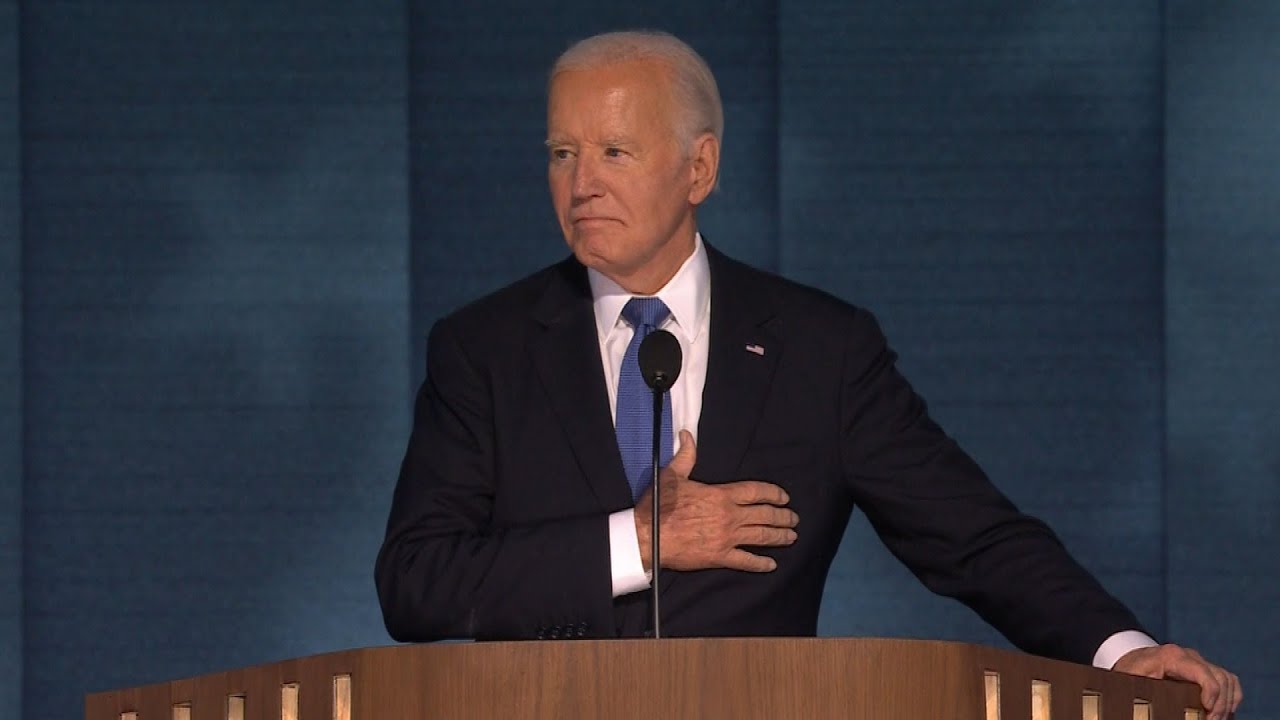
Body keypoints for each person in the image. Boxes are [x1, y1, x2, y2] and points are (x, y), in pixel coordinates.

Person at [375, 30, 1241, 719]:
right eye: (562, 153)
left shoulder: (821, 349)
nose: (581, 184)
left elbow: (973, 537)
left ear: (699, 169)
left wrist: (1123, 653)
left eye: (615, 152)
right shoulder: (483, 349)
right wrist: (635, 542)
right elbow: (417, 584)